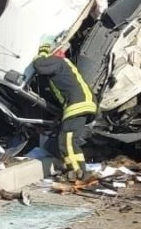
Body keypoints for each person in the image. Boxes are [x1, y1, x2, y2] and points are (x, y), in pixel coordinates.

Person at [33, 38, 97, 180]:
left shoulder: (58, 61)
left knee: (67, 140)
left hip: (78, 104)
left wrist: (42, 51)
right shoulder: (66, 66)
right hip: (83, 103)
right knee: (67, 138)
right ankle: (79, 170)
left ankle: (77, 172)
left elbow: (39, 65)